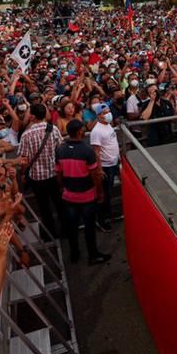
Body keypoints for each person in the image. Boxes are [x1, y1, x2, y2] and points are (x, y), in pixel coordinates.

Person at [55, 120, 110, 264]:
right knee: (89, 227)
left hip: (69, 196)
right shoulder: (87, 151)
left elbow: (58, 173)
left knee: (72, 227)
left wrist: (62, 187)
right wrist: (100, 192)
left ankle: (74, 253)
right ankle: (93, 255)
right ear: (80, 131)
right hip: (87, 196)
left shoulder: (60, 150)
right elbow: (95, 175)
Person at [17, 103, 63, 238]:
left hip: (37, 178)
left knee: (45, 208)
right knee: (59, 204)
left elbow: (24, 159)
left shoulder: (26, 135)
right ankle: (66, 230)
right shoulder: (53, 129)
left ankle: (51, 234)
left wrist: (24, 173)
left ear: (32, 116)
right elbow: (60, 149)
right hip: (54, 173)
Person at [89, 104, 120, 232]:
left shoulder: (108, 125)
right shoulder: (96, 131)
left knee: (109, 192)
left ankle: (108, 215)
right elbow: (96, 152)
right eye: (104, 113)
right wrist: (99, 169)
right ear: (98, 116)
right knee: (104, 194)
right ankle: (102, 219)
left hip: (114, 163)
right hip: (105, 166)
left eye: (108, 111)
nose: (108, 114)